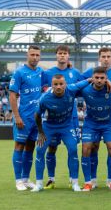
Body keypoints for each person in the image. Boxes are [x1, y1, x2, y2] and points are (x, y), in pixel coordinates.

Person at [31, 75, 91, 192]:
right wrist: (41, 132)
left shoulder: (72, 89)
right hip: (49, 126)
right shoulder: (45, 98)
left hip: (66, 126)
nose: (58, 87)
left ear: (65, 84)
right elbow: (37, 115)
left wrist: (92, 79)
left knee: (73, 149)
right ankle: (39, 184)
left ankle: (74, 183)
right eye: (56, 84)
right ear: (51, 85)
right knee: (39, 150)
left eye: (61, 84)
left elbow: (87, 81)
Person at [82, 47, 111, 188]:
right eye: (103, 56)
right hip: (92, 120)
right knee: (92, 147)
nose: (106, 59)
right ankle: (92, 180)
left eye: (108, 56)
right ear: (99, 58)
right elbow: (77, 83)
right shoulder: (88, 73)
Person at [40, 45, 83, 190]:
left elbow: (84, 88)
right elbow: (42, 91)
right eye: (60, 53)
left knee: (72, 148)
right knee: (51, 148)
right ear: (56, 55)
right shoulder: (48, 73)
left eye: (65, 53)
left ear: (68, 56)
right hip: (52, 118)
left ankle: (73, 179)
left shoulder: (75, 73)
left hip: (72, 118)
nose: (62, 56)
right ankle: (51, 179)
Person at [79, 66, 111, 192]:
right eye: (96, 78)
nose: (99, 80)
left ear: (106, 79)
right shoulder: (85, 90)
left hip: (108, 124)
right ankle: (89, 182)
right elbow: (71, 89)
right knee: (87, 149)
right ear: (92, 78)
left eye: (102, 78)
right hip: (91, 124)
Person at [9, 45, 43, 191]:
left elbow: (57, 78)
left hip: (36, 118)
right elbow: (12, 95)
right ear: (27, 55)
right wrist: (17, 116)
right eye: (32, 54)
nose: (35, 57)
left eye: (37, 55)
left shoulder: (42, 72)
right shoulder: (19, 72)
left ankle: (26, 178)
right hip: (23, 117)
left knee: (30, 147)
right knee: (19, 146)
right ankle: (18, 181)